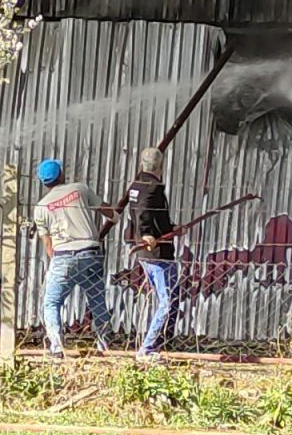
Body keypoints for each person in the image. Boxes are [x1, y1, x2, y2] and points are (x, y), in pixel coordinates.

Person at [32, 159, 117, 359]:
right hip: (91, 252)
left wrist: (59, 262)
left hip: (63, 257)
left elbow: (48, 245)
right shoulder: (80, 190)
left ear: (44, 182)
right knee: (96, 300)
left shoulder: (41, 208)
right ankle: (104, 344)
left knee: (52, 302)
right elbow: (110, 212)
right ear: (61, 175)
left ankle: (56, 347)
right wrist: (115, 217)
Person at [127, 147, 185, 362]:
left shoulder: (137, 185)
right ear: (161, 165)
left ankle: (165, 339)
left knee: (173, 295)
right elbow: (142, 211)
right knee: (167, 300)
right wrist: (146, 235)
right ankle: (148, 347)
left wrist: (172, 227)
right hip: (157, 252)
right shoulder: (152, 186)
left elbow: (148, 213)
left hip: (150, 251)